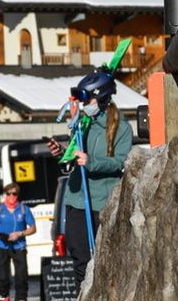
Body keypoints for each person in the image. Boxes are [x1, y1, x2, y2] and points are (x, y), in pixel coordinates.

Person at [47, 67, 134, 288]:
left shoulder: (121, 127)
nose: (85, 105)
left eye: (88, 100)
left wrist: (91, 163)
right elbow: (74, 155)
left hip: (101, 202)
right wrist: (63, 152)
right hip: (76, 200)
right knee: (80, 259)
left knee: (106, 258)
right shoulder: (81, 124)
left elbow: (121, 162)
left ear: (101, 98)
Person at [0, 182, 36, 301]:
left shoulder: (23, 209)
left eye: (14, 194)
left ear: (17, 195)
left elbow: (33, 228)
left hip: (18, 246)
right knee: (2, 277)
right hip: (2, 245)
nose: (11, 196)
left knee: (21, 277)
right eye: (8, 193)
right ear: (5, 194)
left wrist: (20, 233)